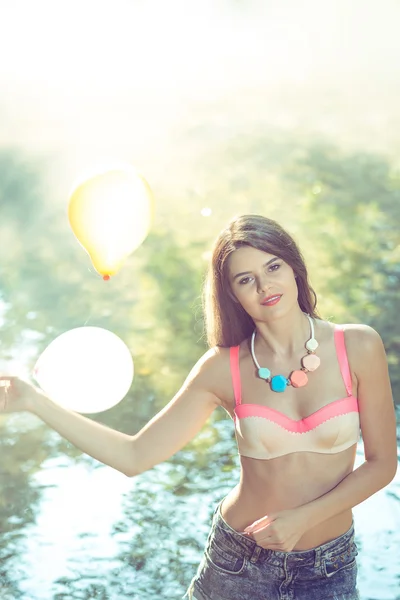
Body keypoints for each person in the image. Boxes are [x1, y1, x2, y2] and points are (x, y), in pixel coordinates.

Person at [0, 214, 397, 600]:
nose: (265, 286)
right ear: (233, 295)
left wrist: (305, 518)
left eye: (273, 266)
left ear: (294, 266)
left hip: (328, 568)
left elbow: (382, 463)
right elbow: (134, 455)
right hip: (240, 563)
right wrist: (34, 402)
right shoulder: (222, 369)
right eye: (246, 279)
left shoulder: (358, 346)